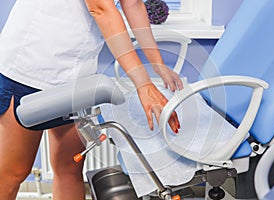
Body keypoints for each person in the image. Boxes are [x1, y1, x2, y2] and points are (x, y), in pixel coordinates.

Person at [0, 0, 182, 199]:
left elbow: (133, 3)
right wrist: (144, 84)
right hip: (30, 64)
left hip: (76, 75)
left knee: (69, 167)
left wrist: (157, 63)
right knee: (12, 173)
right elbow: (101, 9)